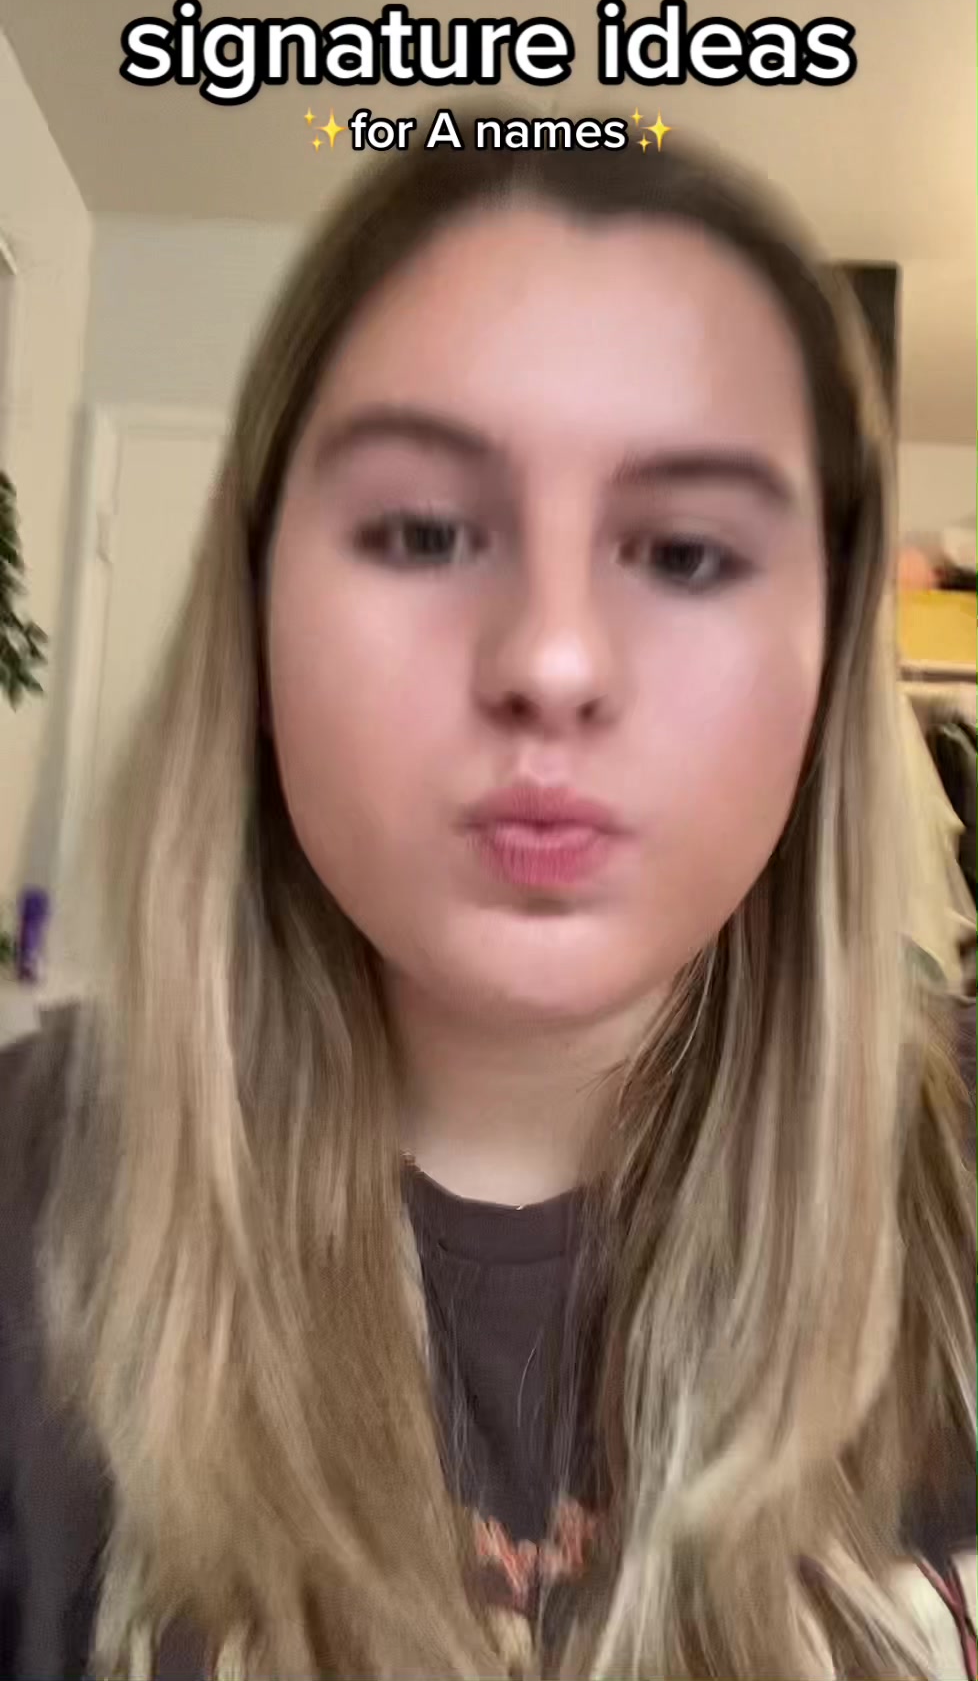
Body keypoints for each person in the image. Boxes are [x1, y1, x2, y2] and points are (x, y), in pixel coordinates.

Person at [1, 120, 974, 1681]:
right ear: (255, 608)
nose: (552, 660)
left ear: (826, 649)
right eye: (423, 531)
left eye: (684, 549)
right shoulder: (28, 1201)